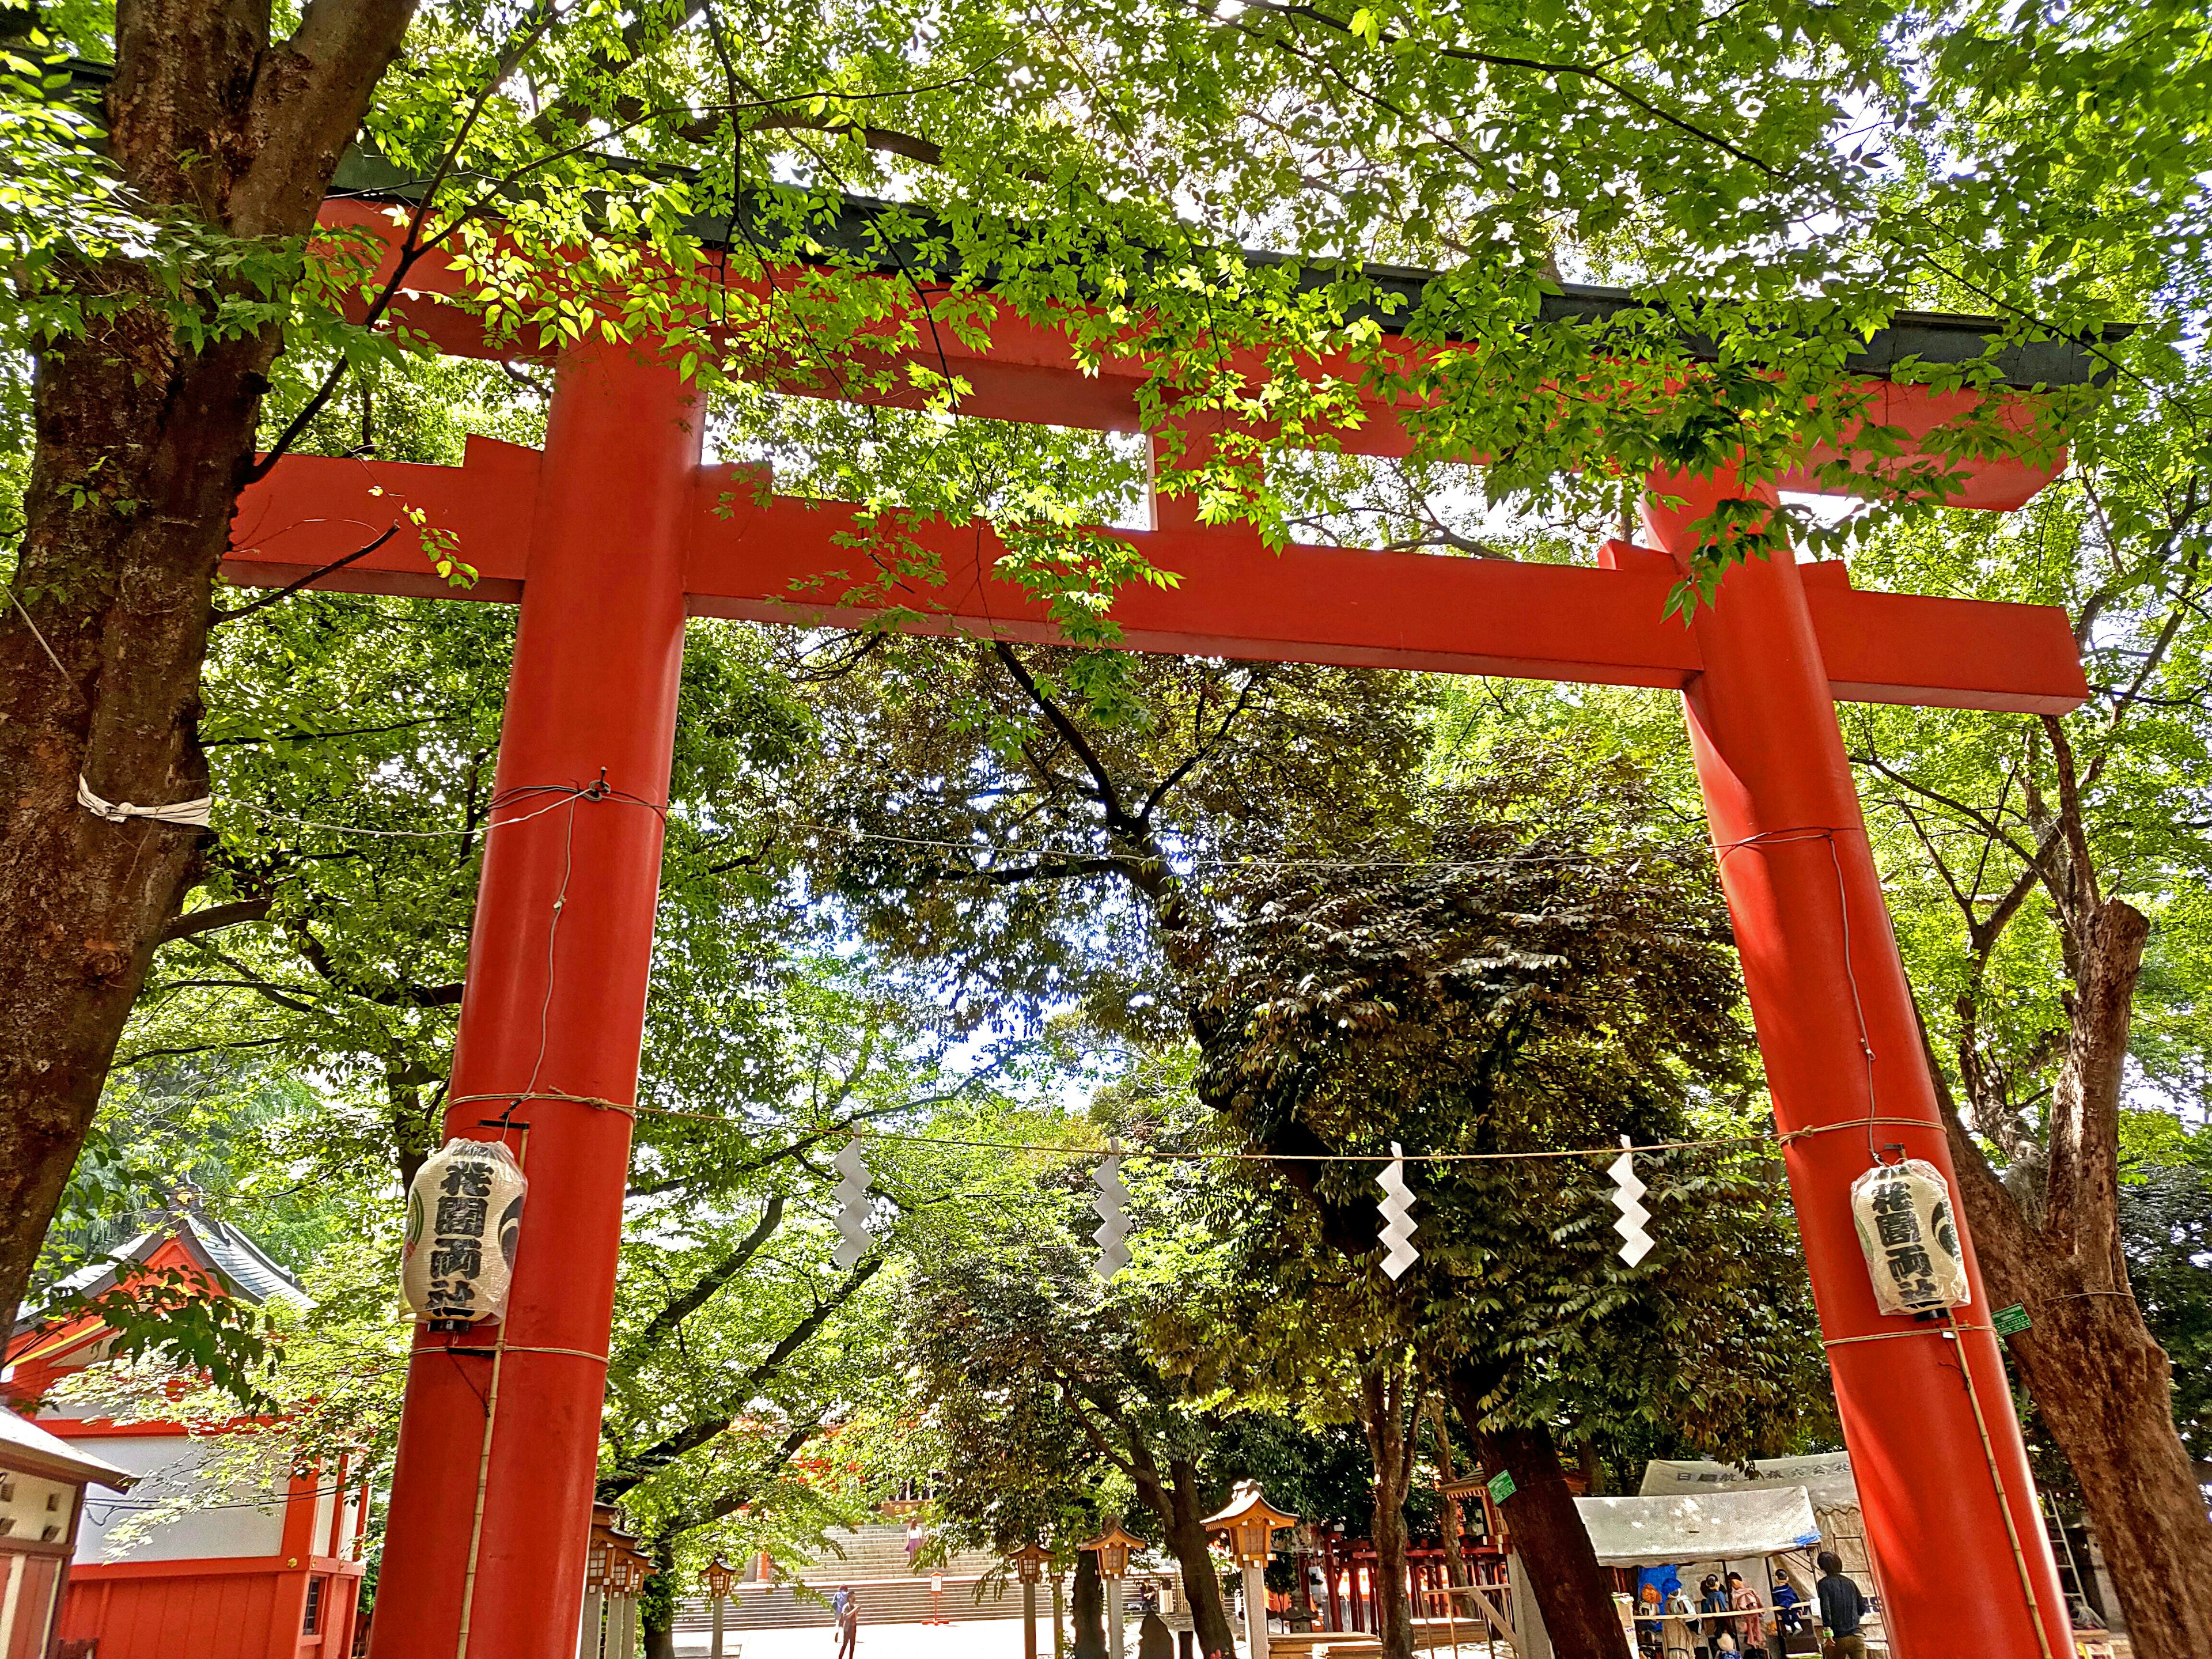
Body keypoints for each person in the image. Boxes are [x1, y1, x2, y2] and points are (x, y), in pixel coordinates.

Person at [1815, 1551, 1870, 1658]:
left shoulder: (1823, 1584)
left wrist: (1828, 1634)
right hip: (1856, 1636)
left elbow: (1826, 1609)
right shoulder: (1850, 1582)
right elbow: (1862, 1607)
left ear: (1822, 1567)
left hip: (1837, 1638)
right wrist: (1854, 1620)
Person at [1728, 1571, 1766, 1656]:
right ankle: (1753, 1642)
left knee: (1755, 1627)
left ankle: (1757, 1642)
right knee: (1751, 1627)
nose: (1734, 1585)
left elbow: (1755, 1601)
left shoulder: (1748, 1591)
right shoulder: (1739, 1593)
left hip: (1752, 1612)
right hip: (1746, 1615)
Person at [834, 1584, 858, 1659]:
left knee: (852, 1646)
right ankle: (840, 1658)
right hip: (847, 1629)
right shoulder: (846, 1606)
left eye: (854, 1597)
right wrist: (855, 1610)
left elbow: (856, 1618)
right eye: (852, 1597)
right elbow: (846, 1616)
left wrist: (856, 1615)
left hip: (853, 1628)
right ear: (849, 1598)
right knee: (845, 1645)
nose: (854, 1598)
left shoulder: (853, 1606)